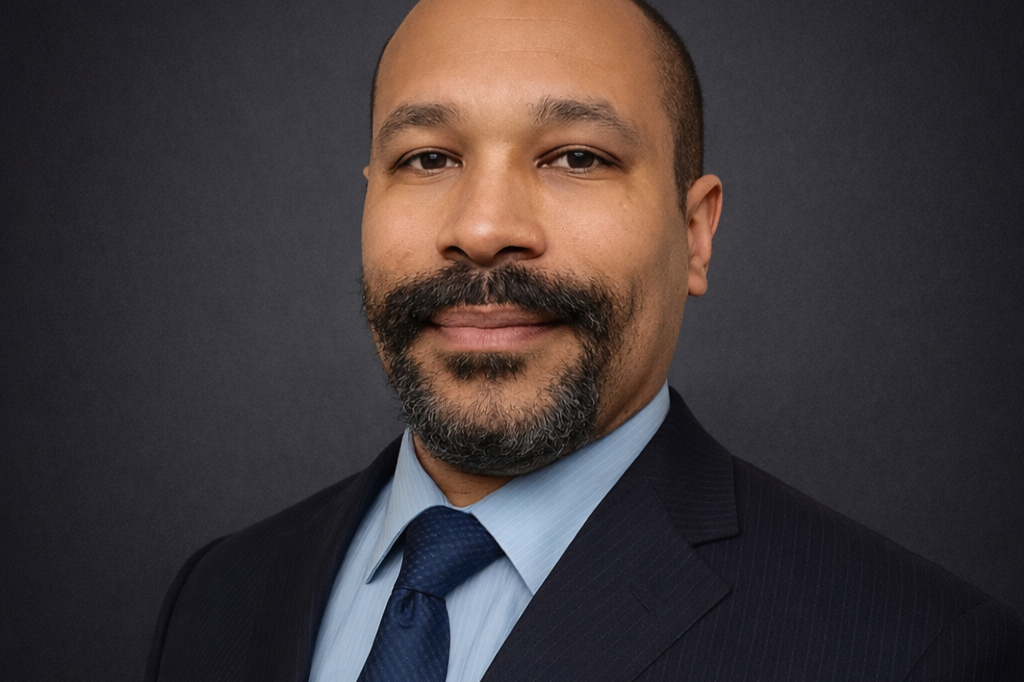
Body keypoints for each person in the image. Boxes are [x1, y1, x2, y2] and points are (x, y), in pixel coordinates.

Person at [144, 0, 1024, 680]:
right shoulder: (218, 594)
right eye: (429, 158)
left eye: (576, 157)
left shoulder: (914, 652)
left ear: (695, 233)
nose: (483, 228)